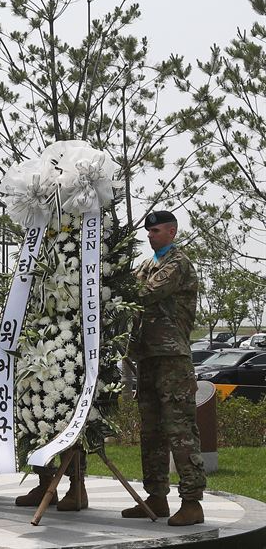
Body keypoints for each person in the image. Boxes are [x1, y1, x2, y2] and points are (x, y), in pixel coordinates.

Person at [122, 210, 206, 526]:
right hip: (147, 356)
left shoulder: (178, 264)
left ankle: (192, 502)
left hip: (172, 359)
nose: (149, 235)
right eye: (148, 231)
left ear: (171, 232)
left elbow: (144, 293)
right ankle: (156, 497)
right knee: (152, 430)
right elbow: (129, 285)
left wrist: (116, 286)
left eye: (155, 230)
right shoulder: (148, 264)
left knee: (179, 430)